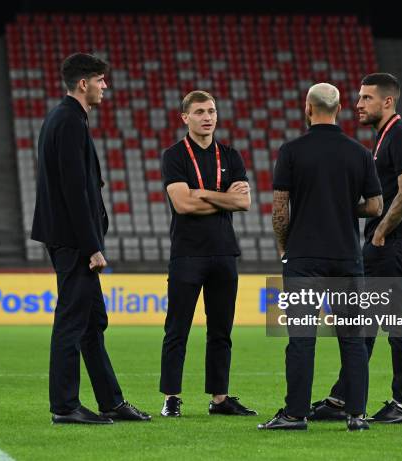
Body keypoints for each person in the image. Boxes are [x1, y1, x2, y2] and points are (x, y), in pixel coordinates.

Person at [31, 53, 150, 425]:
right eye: (100, 80)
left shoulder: (65, 117)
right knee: (72, 320)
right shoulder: (69, 120)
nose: (105, 86)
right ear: (84, 83)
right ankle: (65, 406)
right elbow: (73, 189)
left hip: (69, 237)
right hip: (74, 241)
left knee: (93, 320)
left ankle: (111, 401)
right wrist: (92, 246)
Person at [257, 83, 383, 431]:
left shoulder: (292, 151)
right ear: (340, 108)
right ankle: (356, 416)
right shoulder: (359, 152)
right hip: (346, 257)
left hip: (304, 259)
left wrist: (285, 248)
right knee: (352, 340)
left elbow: (279, 208)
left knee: (301, 339)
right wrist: (344, 208)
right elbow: (375, 205)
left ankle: (295, 415)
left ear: (308, 109)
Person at [311, 73, 402, 424]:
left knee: (395, 324)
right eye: (359, 98)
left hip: (393, 244)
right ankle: (343, 398)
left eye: (366, 98)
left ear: (387, 101)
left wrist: (381, 233)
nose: (358, 104)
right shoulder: (387, 138)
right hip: (388, 243)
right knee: (365, 325)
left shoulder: (400, 136)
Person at [159, 90, 257, 418]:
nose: (207, 117)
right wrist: (220, 195)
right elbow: (182, 204)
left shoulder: (230, 156)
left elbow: (244, 202)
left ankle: (220, 399)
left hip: (224, 253)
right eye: (200, 111)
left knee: (221, 331)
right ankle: (171, 398)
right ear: (185, 117)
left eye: (212, 111)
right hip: (187, 254)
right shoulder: (174, 156)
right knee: (177, 329)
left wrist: (201, 192)